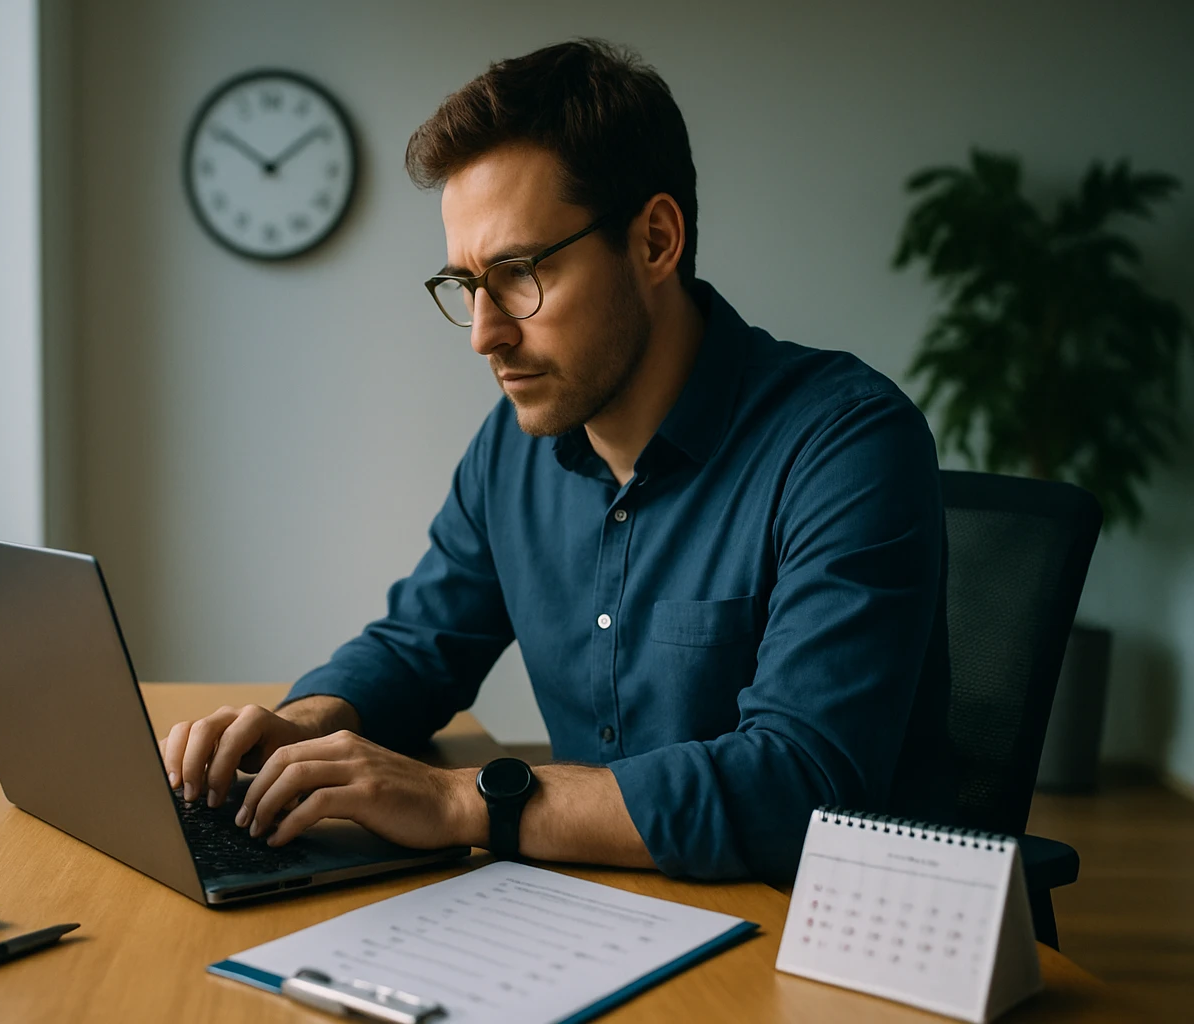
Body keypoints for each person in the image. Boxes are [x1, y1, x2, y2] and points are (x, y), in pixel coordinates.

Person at [159, 39, 953, 881]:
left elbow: (798, 786)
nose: (484, 334)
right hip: (593, 907)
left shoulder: (846, 444)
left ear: (654, 240)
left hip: (807, 939)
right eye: (466, 284)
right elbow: (422, 643)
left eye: (518, 274)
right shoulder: (514, 445)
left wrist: (460, 802)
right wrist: (308, 723)